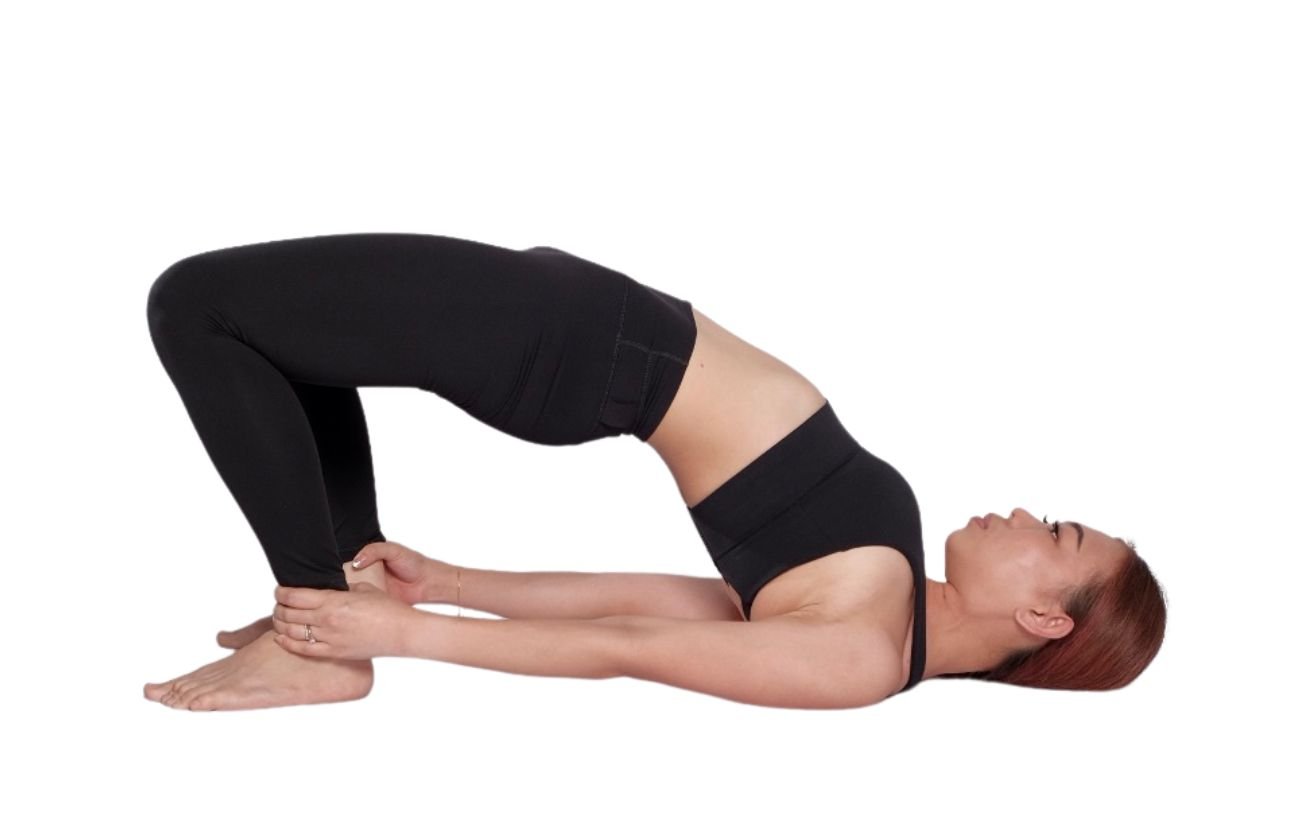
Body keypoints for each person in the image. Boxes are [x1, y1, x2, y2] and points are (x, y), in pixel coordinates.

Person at [141, 232, 1166, 711]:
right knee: (283, 343)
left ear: (1047, 621)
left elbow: (628, 646)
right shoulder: (893, 613)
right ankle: (334, 593)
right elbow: (661, 598)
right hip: (599, 343)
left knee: (200, 304)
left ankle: (320, 633)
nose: (1032, 513)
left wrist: (407, 637)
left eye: (1059, 535)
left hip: (582, 354)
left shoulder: (855, 658)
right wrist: (444, 583)